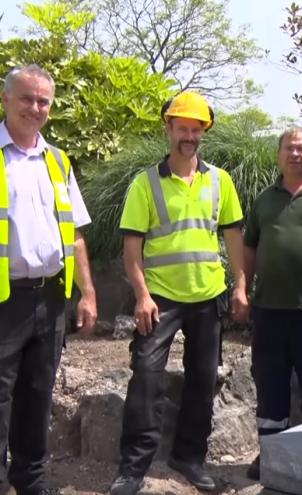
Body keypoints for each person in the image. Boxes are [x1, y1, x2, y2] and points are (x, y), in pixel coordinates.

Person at [109, 91, 248, 495]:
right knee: (147, 378)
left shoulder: (219, 180)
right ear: (168, 128)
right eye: (182, 127)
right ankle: (133, 467)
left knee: (203, 381)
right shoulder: (145, 184)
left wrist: (240, 285)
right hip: (160, 300)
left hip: (207, 297)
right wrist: (141, 295)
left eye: (196, 128)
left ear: (204, 131)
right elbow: (131, 250)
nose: (189, 135)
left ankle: (189, 457)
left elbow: (234, 237)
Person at [0, 64, 97, 495]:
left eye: (43, 101)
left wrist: (88, 293)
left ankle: (31, 476)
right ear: (6, 99)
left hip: (51, 299)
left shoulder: (57, 160)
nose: (35, 107)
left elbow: (74, 232)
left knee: (39, 394)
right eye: (27, 98)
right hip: (4, 300)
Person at [244, 127, 302, 481]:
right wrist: (241, 289)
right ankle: (272, 458)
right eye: (289, 148)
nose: (295, 154)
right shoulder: (264, 199)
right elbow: (249, 246)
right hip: (269, 311)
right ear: (278, 155)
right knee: (270, 386)